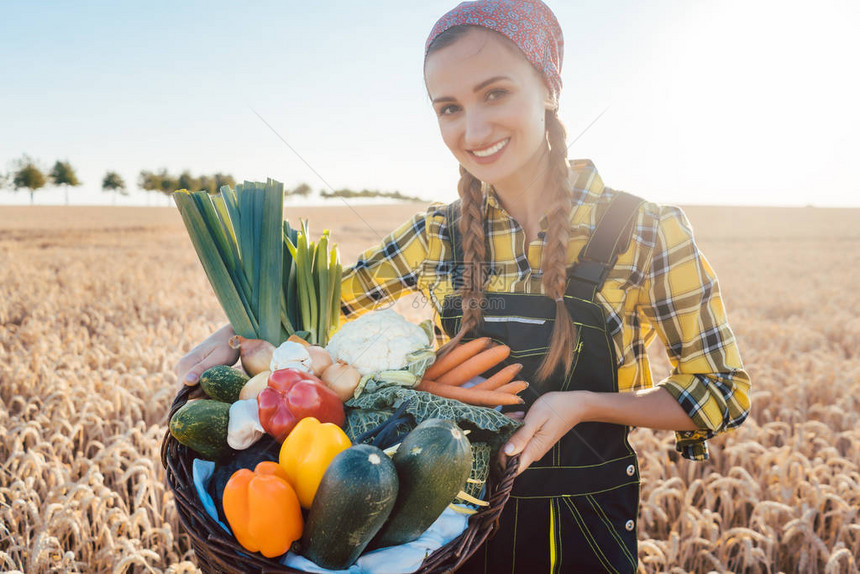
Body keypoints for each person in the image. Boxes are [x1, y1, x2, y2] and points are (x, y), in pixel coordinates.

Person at [175, 1, 751, 571]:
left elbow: (721, 392)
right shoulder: (436, 234)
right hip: (445, 538)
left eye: (495, 93)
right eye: (449, 107)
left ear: (549, 87)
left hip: (585, 535)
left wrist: (581, 405)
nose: (473, 130)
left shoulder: (644, 231)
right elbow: (318, 313)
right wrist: (243, 330)